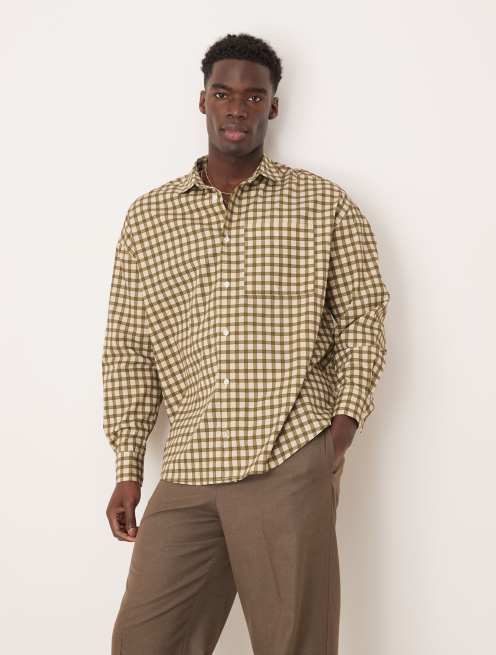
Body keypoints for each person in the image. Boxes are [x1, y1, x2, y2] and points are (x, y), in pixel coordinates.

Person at [102, 32, 391, 655]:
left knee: (294, 643)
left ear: (273, 107)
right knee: (144, 640)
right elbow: (129, 346)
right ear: (202, 100)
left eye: (254, 96)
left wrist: (341, 426)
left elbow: (363, 315)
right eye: (224, 93)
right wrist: (128, 466)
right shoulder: (149, 217)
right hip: (190, 461)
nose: (238, 108)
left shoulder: (323, 204)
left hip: (287, 451)